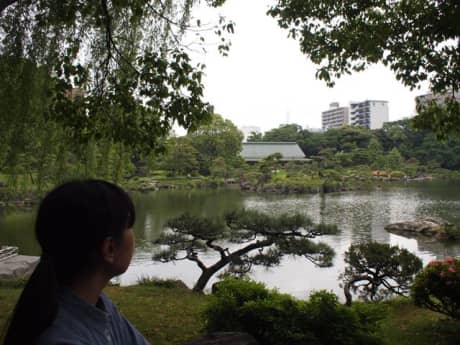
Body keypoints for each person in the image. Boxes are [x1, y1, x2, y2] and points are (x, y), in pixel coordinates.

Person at [2, 180, 151, 345]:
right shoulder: (62, 338)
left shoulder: (97, 305)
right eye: (129, 226)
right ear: (109, 249)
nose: (133, 235)